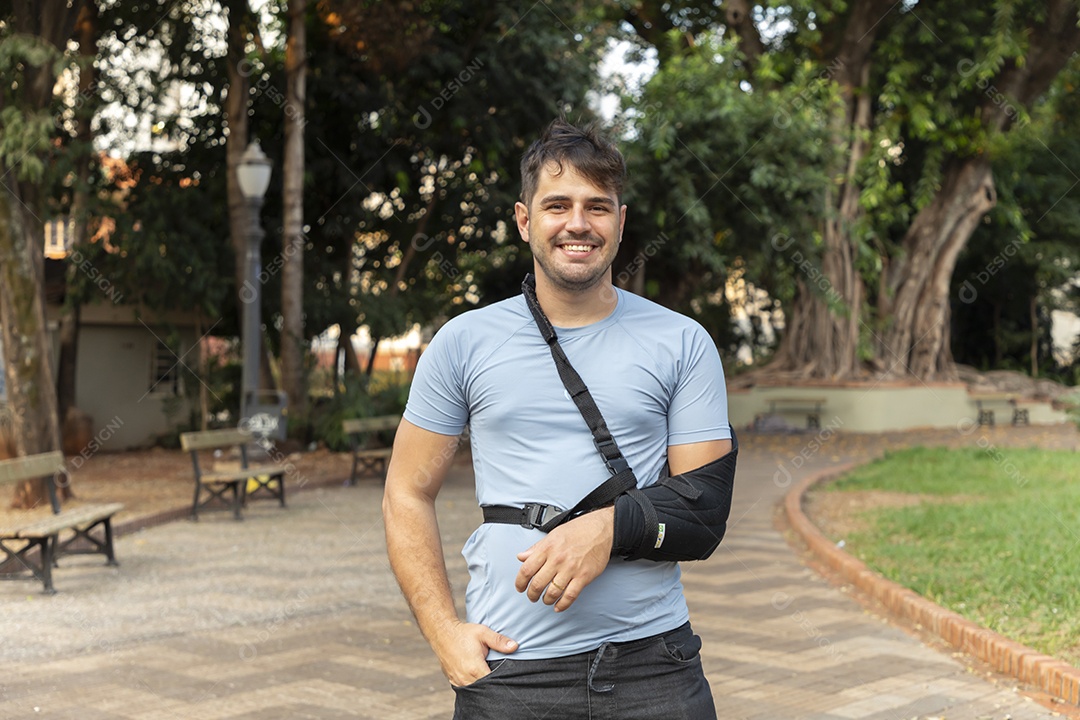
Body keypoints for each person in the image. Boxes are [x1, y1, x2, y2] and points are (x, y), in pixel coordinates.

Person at [383, 118, 733, 719]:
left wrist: (607, 529)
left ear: (621, 223)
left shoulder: (682, 341)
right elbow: (407, 492)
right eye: (558, 205)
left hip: (655, 669)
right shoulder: (463, 343)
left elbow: (703, 507)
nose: (578, 223)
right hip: (511, 673)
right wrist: (443, 632)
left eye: (598, 206)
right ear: (525, 220)